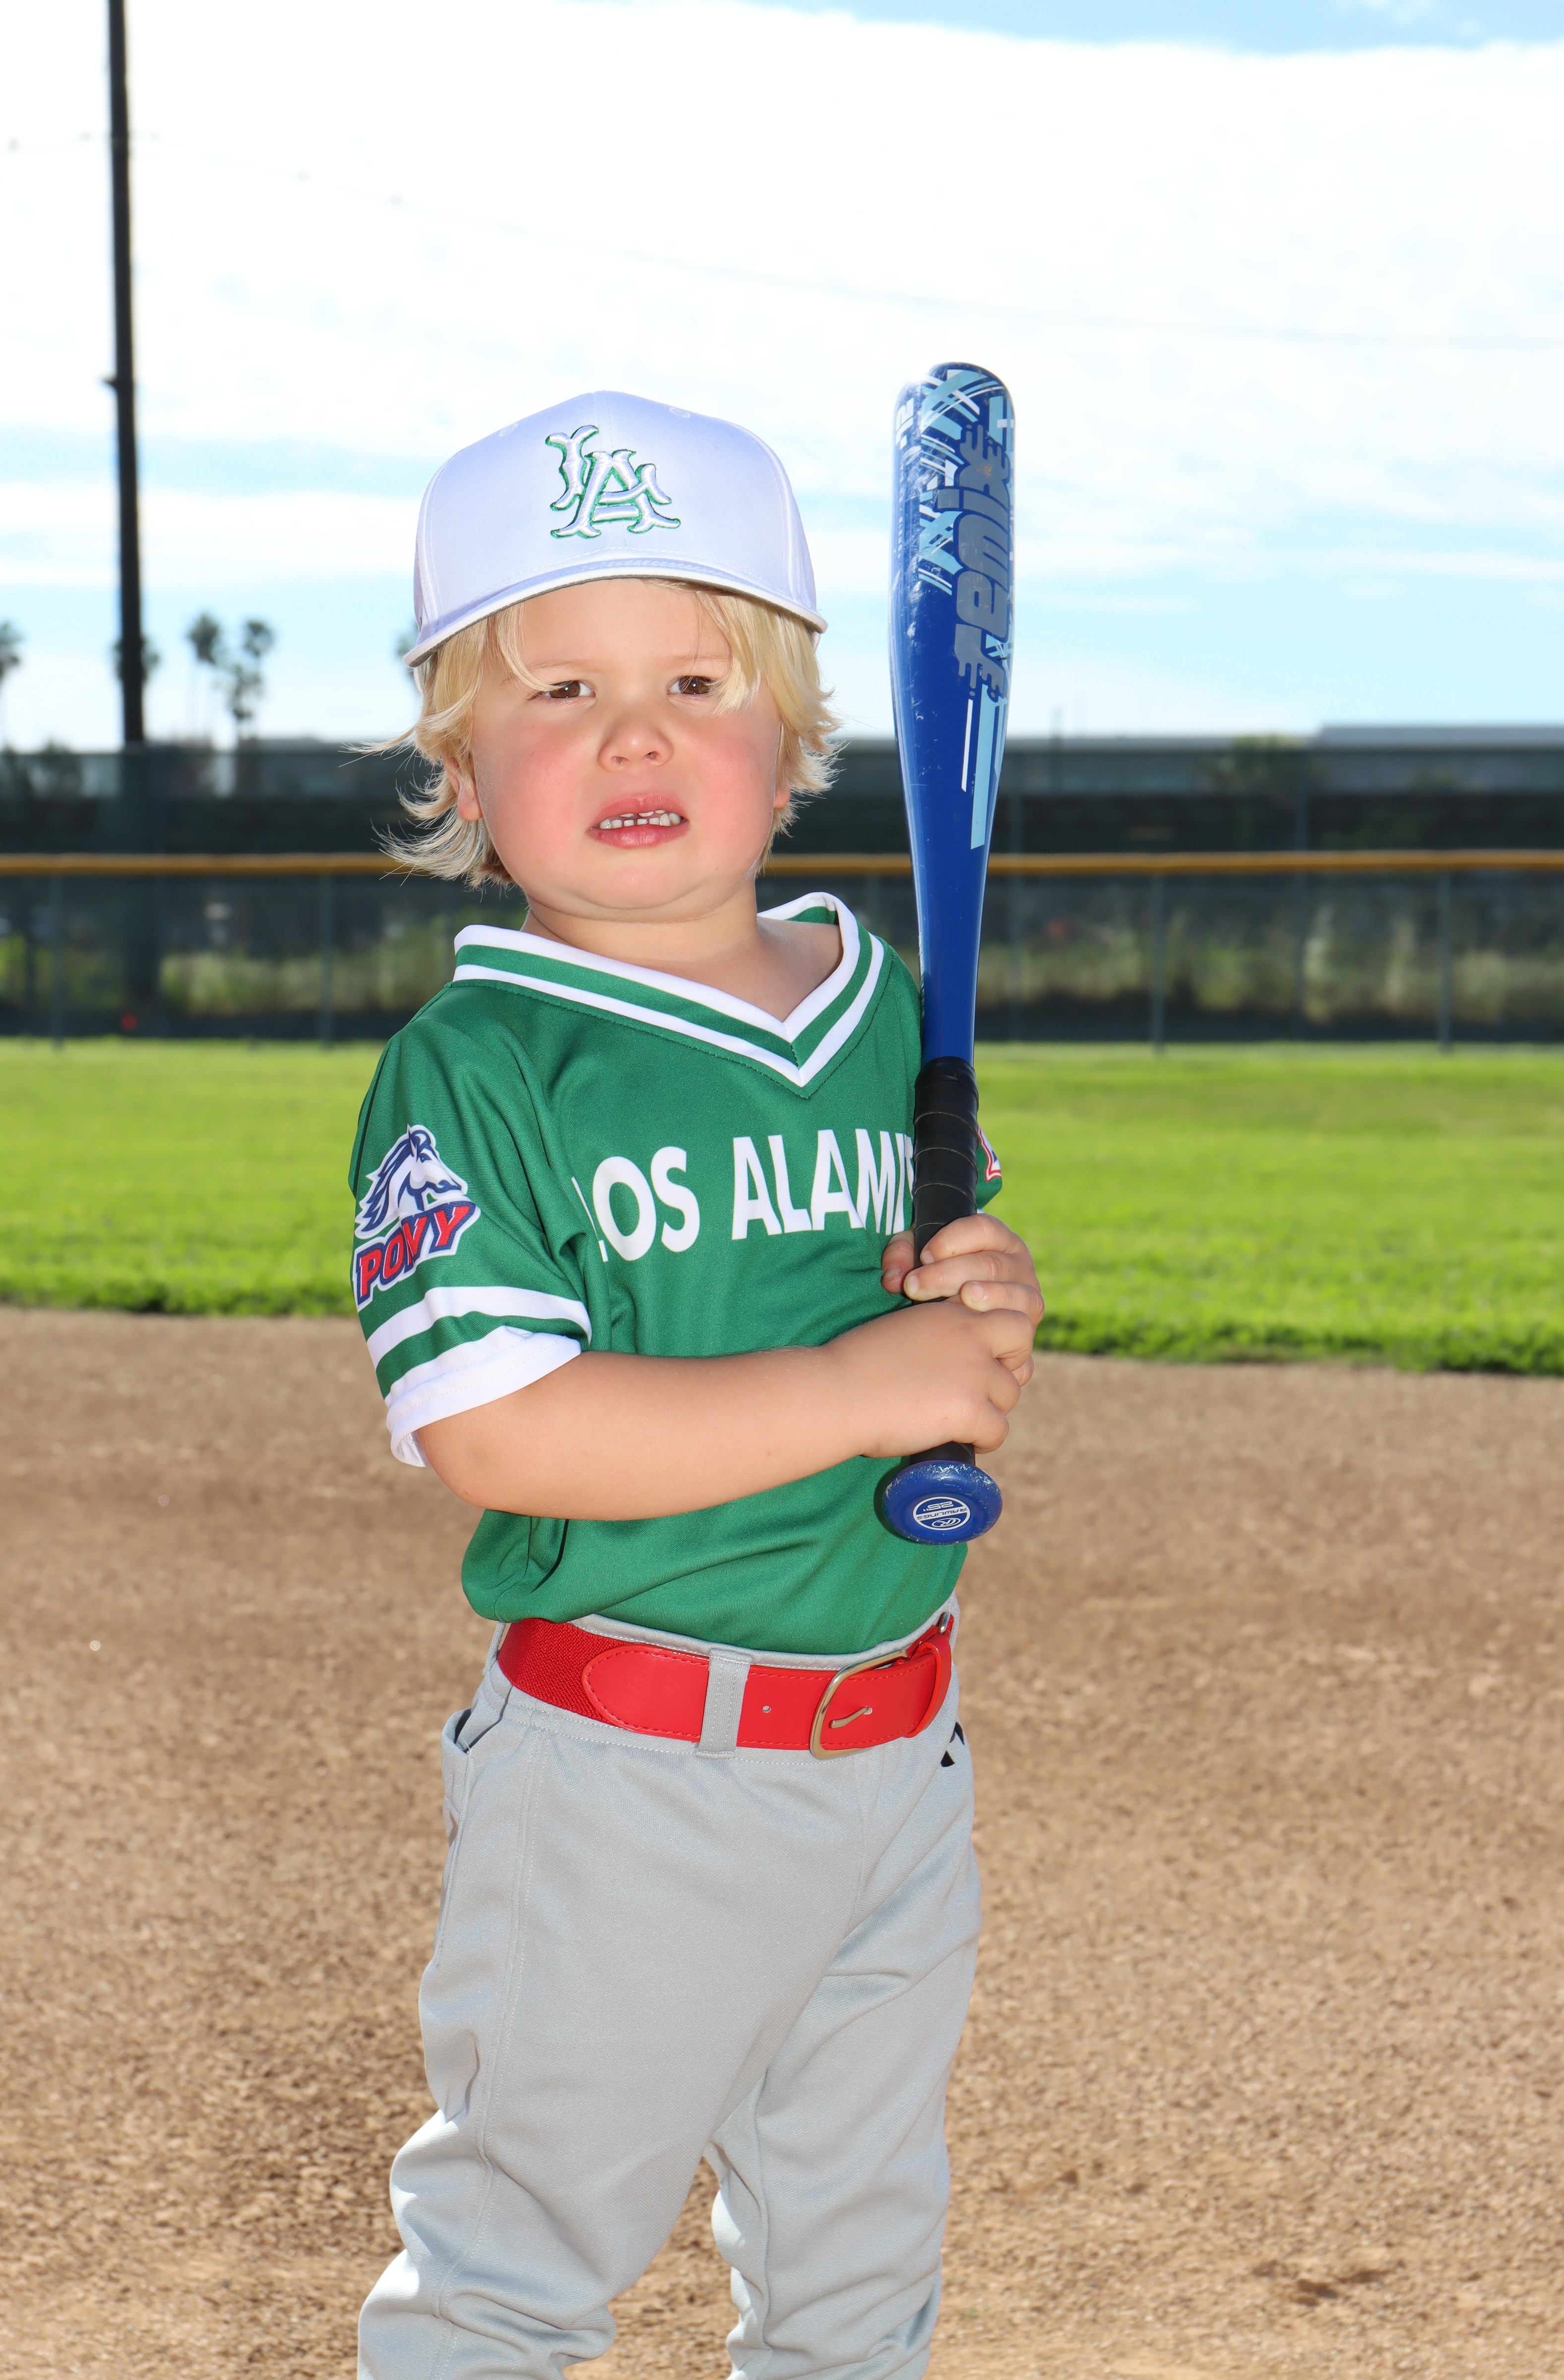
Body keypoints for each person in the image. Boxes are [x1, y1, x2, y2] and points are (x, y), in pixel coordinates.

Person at [350, 390, 1044, 2380]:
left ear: (790, 739)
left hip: (898, 1747)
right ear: (462, 769)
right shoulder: (483, 1069)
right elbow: (499, 1429)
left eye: (694, 681)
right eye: (557, 689)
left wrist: (978, 1307)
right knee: (517, 2268)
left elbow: (938, 1320)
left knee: (857, 2269)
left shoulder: (884, 1010)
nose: (632, 735)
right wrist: (859, 1387)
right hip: (632, 1771)